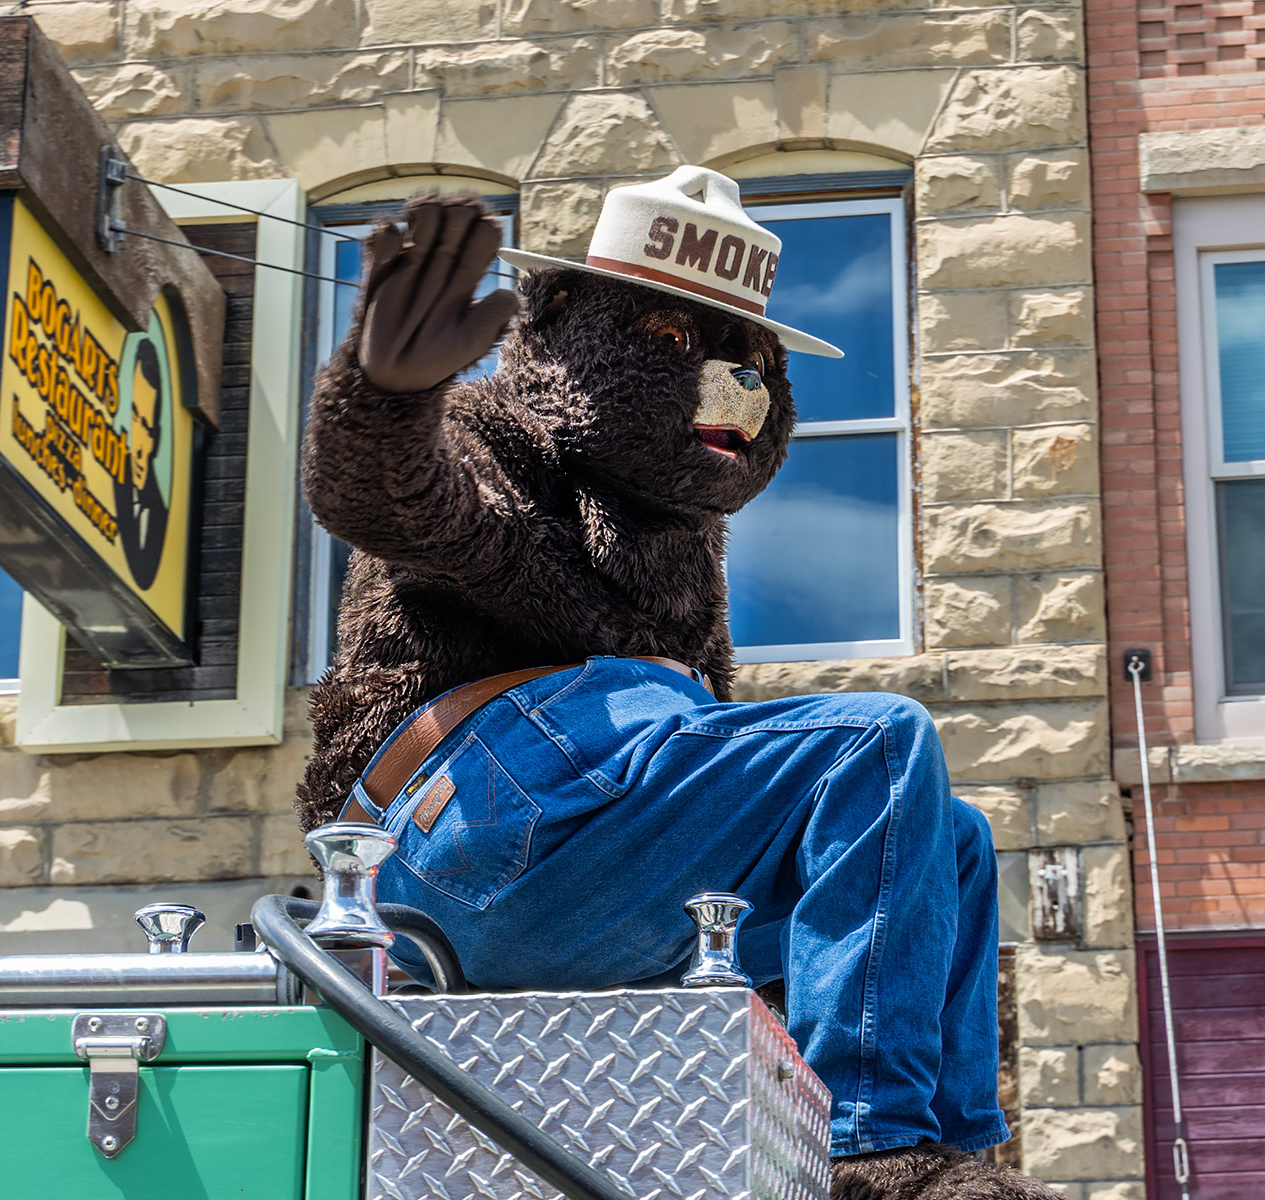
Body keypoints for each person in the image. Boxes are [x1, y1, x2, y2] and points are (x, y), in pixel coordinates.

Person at [299, 167, 1056, 1198]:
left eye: (749, 362)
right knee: (877, 744)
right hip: (459, 836)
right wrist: (386, 401)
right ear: (564, 323)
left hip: (592, 855)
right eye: (669, 343)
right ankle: (876, 1152)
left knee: (951, 842)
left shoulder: (681, 542)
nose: (728, 386)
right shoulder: (490, 435)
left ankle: (955, 1162)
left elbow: (706, 785)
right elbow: (396, 501)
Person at [115, 338, 168, 590]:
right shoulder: (110, 481)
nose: (137, 441)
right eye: (134, 415)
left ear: (156, 437)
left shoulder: (160, 510)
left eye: (146, 426)